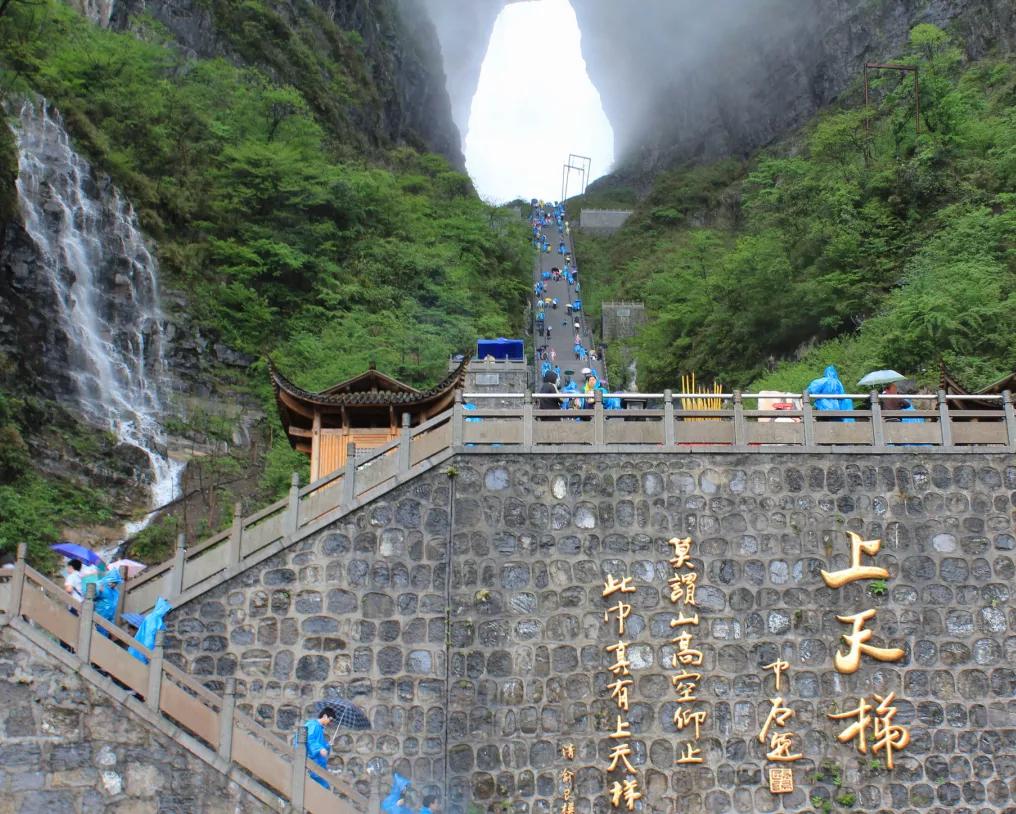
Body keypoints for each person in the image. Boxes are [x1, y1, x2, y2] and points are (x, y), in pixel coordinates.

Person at [302, 707, 335, 788]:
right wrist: (320, 749)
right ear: (324, 716)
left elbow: (319, 743)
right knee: (322, 788)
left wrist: (327, 745)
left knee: (324, 788)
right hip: (312, 764)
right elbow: (309, 739)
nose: (330, 722)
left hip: (317, 765)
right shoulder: (313, 725)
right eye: (330, 719)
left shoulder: (318, 727)